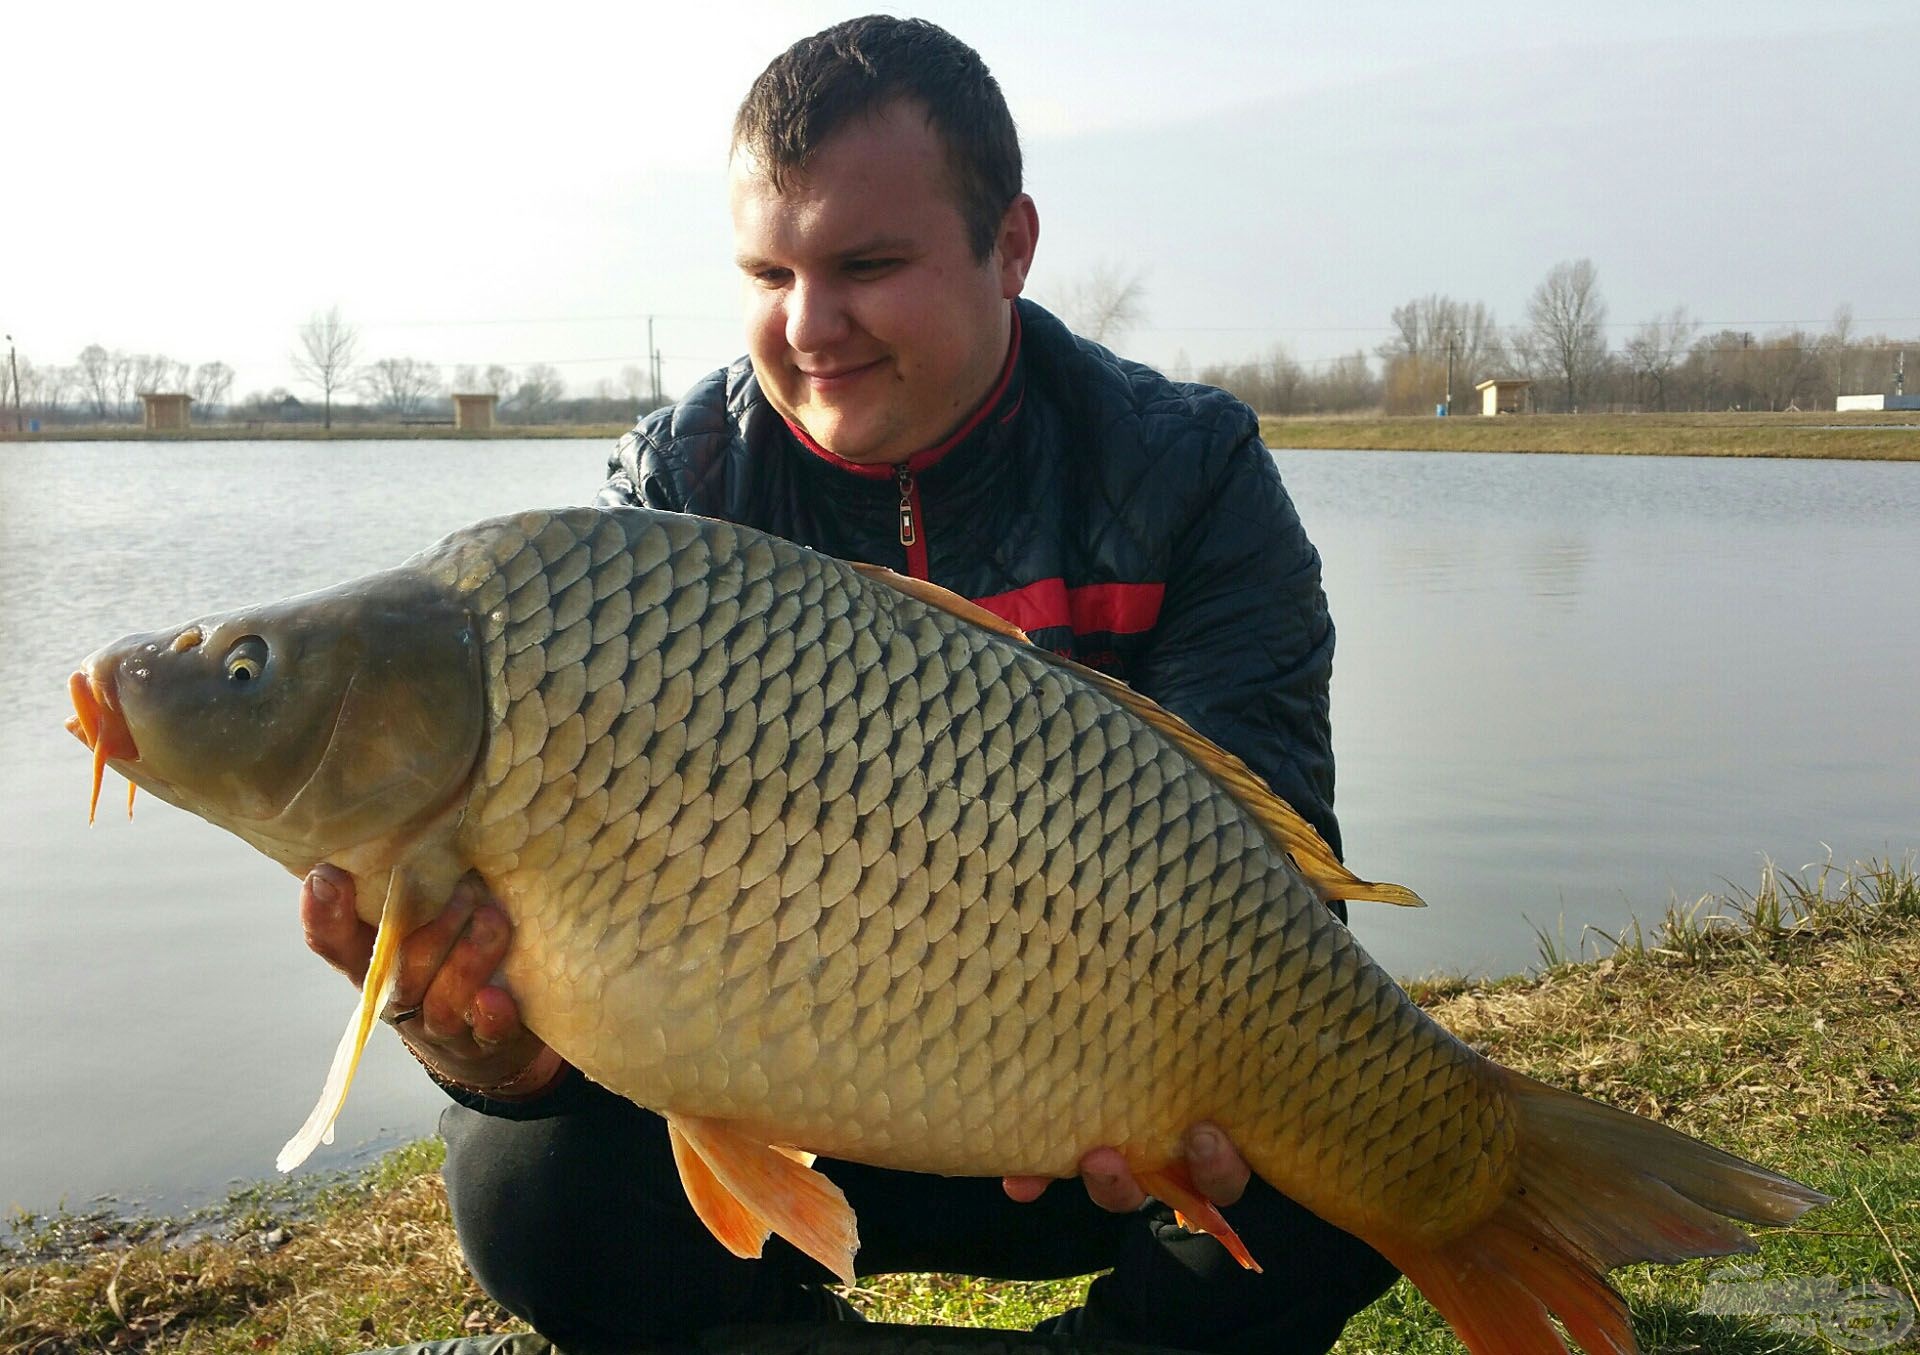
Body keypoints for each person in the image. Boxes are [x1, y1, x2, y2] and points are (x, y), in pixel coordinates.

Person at [303, 15, 1399, 1355]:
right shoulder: (679, 492)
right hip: (791, 1089)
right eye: (769, 272)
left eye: (867, 265)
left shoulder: (1187, 470)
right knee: (526, 1190)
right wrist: (492, 1055)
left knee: (1360, 1165)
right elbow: (564, 995)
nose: (810, 327)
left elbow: (1281, 875)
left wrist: (1175, 1074)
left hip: (1097, 1092)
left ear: (1013, 245)